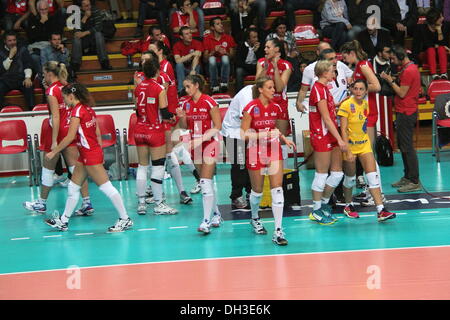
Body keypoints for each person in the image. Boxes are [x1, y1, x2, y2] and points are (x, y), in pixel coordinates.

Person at [43, 83, 133, 232]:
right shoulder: (88, 109)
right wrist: (100, 151)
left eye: (65, 98)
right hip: (86, 154)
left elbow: (70, 136)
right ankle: (63, 221)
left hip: (89, 154)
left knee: (106, 187)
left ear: (71, 96)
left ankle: (125, 219)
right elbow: (97, 133)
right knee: (73, 186)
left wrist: (54, 152)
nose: (64, 101)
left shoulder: (76, 112)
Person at [23, 61, 94, 216]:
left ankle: (41, 204)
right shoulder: (67, 86)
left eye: (43, 74)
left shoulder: (51, 90)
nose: (43, 77)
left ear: (50, 74)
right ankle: (87, 202)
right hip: (71, 129)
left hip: (57, 130)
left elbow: (55, 116)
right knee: (76, 169)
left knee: (48, 168)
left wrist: (54, 140)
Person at [240, 76, 295, 245]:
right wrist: (262, 134)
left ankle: (278, 231)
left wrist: (284, 139)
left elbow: (275, 129)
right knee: (257, 191)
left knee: (277, 188)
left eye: (273, 87)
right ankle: (255, 217)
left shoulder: (276, 107)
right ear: (261, 89)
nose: (273, 90)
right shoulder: (250, 108)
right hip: (255, 150)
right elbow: (243, 134)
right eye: (270, 87)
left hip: (273, 149)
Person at [337, 79, 397, 221]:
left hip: (363, 145)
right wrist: (348, 150)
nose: (358, 91)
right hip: (350, 146)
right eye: (355, 88)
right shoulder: (346, 105)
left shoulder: (365, 104)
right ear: (352, 89)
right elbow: (343, 130)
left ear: (365, 91)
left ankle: (380, 210)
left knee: (372, 177)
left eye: (361, 89)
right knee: (350, 179)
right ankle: (348, 205)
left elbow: (364, 126)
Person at [146, 46, 193, 205]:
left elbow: (163, 99)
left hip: (163, 119)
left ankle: (178, 191)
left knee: (169, 152)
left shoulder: (163, 73)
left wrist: (170, 116)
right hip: (156, 121)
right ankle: (161, 191)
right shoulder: (147, 80)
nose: (144, 61)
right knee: (168, 153)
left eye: (147, 57)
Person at [176, 75, 223, 234]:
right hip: (195, 145)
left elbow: (217, 126)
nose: (186, 89)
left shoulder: (209, 101)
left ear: (197, 85)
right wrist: (182, 117)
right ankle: (216, 213)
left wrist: (201, 139)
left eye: (188, 86)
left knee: (204, 180)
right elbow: (184, 126)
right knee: (205, 183)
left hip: (210, 142)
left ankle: (205, 221)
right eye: (185, 87)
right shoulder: (185, 103)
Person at [341, 40, 385, 205]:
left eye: (345, 56)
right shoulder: (359, 66)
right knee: (367, 154)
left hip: (368, 113)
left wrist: (357, 89)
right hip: (363, 113)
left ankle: (378, 192)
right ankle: (371, 189)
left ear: (352, 53)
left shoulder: (363, 65)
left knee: (368, 154)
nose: (345, 60)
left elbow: (377, 86)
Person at [133, 57, 179, 215]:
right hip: (154, 130)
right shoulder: (159, 88)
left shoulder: (139, 87)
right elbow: (165, 113)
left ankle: (141, 203)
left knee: (142, 166)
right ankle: (159, 204)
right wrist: (172, 117)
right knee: (158, 166)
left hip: (139, 129)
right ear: (158, 71)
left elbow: (137, 109)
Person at [308, 60, 346, 225]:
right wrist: (340, 139)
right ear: (324, 73)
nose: (334, 74)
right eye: (332, 71)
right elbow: (326, 118)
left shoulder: (324, 89)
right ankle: (316, 209)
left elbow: (328, 111)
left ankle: (323, 204)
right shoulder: (318, 89)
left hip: (330, 133)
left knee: (337, 173)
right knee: (321, 174)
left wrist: (340, 104)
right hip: (322, 135)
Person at [380, 44, 422, 192]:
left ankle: (414, 180)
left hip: (407, 112)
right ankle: (407, 176)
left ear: (400, 56)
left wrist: (389, 80)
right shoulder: (406, 68)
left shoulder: (409, 71)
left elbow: (402, 93)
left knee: (407, 147)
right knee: (403, 145)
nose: (391, 61)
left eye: (392, 58)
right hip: (403, 110)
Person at [221, 84, 253, 211]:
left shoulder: (263, 96)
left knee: (251, 161)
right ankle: (236, 195)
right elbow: (245, 121)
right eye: (270, 87)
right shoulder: (247, 97)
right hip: (233, 131)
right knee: (239, 164)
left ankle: (251, 191)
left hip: (247, 130)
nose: (273, 90)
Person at [296, 43, 353, 113]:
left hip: (342, 110)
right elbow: (303, 90)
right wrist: (299, 102)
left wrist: (350, 79)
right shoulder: (309, 69)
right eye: (331, 59)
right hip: (324, 111)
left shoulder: (341, 65)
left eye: (335, 58)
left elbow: (352, 76)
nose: (335, 61)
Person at [255, 38, 292, 137]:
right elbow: (257, 84)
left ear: (276, 49)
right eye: (265, 47)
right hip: (263, 104)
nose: (265, 50)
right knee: (264, 138)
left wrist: (275, 69)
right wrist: (266, 68)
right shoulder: (261, 62)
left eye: (268, 47)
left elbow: (279, 88)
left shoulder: (286, 65)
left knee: (281, 139)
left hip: (280, 104)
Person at [71, 0, 112, 74]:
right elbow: (76, 30)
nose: (89, 7)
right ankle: (75, 64)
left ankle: (104, 62)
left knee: (98, 34)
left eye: (89, 5)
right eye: (86, 6)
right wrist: (85, 17)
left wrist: (85, 33)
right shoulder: (76, 13)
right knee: (76, 38)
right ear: (81, 7)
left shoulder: (95, 10)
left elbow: (99, 27)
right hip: (84, 41)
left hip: (94, 39)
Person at [0, 30, 35, 110]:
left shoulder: (22, 50)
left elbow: (28, 64)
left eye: (14, 40)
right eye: (10, 40)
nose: (12, 42)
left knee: (29, 86)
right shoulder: (1, 51)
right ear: (5, 41)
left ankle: (31, 111)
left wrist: (27, 77)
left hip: (20, 79)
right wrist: (10, 56)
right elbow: (2, 69)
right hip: (5, 80)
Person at [413, 8, 449, 80]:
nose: (443, 18)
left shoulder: (445, 25)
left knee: (441, 48)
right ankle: (434, 74)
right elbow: (426, 45)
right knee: (431, 49)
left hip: (441, 55)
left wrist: (439, 31)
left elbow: (444, 44)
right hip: (427, 55)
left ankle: (444, 73)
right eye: (440, 17)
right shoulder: (421, 28)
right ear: (434, 19)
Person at [203, 16, 236, 93]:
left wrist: (226, 53)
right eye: (218, 24)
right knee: (212, 59)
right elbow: (205, 59)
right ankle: (214, 86)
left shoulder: (228, 38)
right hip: (211, 68)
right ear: (212, 27)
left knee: (225, 58)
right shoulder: (207, 39)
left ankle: (224, 83)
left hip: (226, 67)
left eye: (221, 23)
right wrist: (213, 51)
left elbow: (232, 56)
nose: (221, 25)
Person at [173, 26, 203, 94]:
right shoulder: (177, 45)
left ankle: (195, 90)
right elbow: (177, 60)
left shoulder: (197, 43)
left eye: (190, 33)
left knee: (197, 64)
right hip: (183, 69)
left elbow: (197, 56)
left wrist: (193, 70)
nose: (190, 35)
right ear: (181, 37)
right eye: (186, 34)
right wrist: (191, 54)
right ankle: (181, 90)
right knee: (179, 65)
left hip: (194, 68)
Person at [234, 27, 264, 92]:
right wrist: (250, 67)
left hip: (257, 68)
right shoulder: (241, 46)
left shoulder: (260, 46)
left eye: (257, 37)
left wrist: (256, 51)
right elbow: (238, 62)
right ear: (248, 39)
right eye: (254, 37)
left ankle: (261, 92)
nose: (256, 39)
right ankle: (239, 92)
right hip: (245, 68)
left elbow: (262, 61)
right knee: (239, 71)